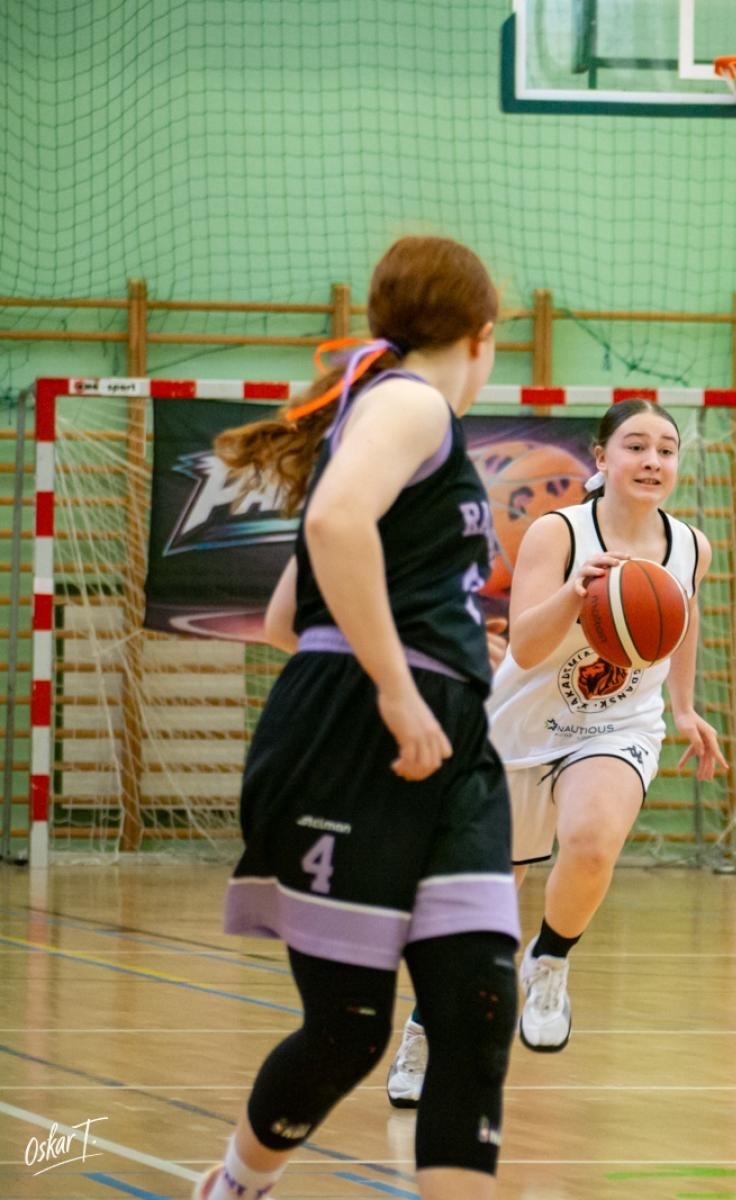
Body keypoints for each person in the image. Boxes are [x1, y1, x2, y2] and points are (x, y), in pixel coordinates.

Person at [194, 236, 518, 1200]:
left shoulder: (392, 412)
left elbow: (291, 615)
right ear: (482, 336)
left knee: (476, 1004)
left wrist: (449, 643)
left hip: (447, 739)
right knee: (350, 1029)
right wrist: (394, 680)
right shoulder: (414, 400)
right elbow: (334, 528)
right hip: (363, 735)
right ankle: (233, 1186)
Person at [386, 397, 727, 1104]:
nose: (653, 460)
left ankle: (550, 964)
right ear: (601, 458)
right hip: (521, 727)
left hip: (618, 723)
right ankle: (423, 1028)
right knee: (481, 908)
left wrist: (686, 709)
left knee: (594, 838)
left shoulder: (691, 545)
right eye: (636, 446)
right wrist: (576, 593)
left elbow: (679, 625)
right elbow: (530, 646)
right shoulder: (556, 533)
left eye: (666, 449)